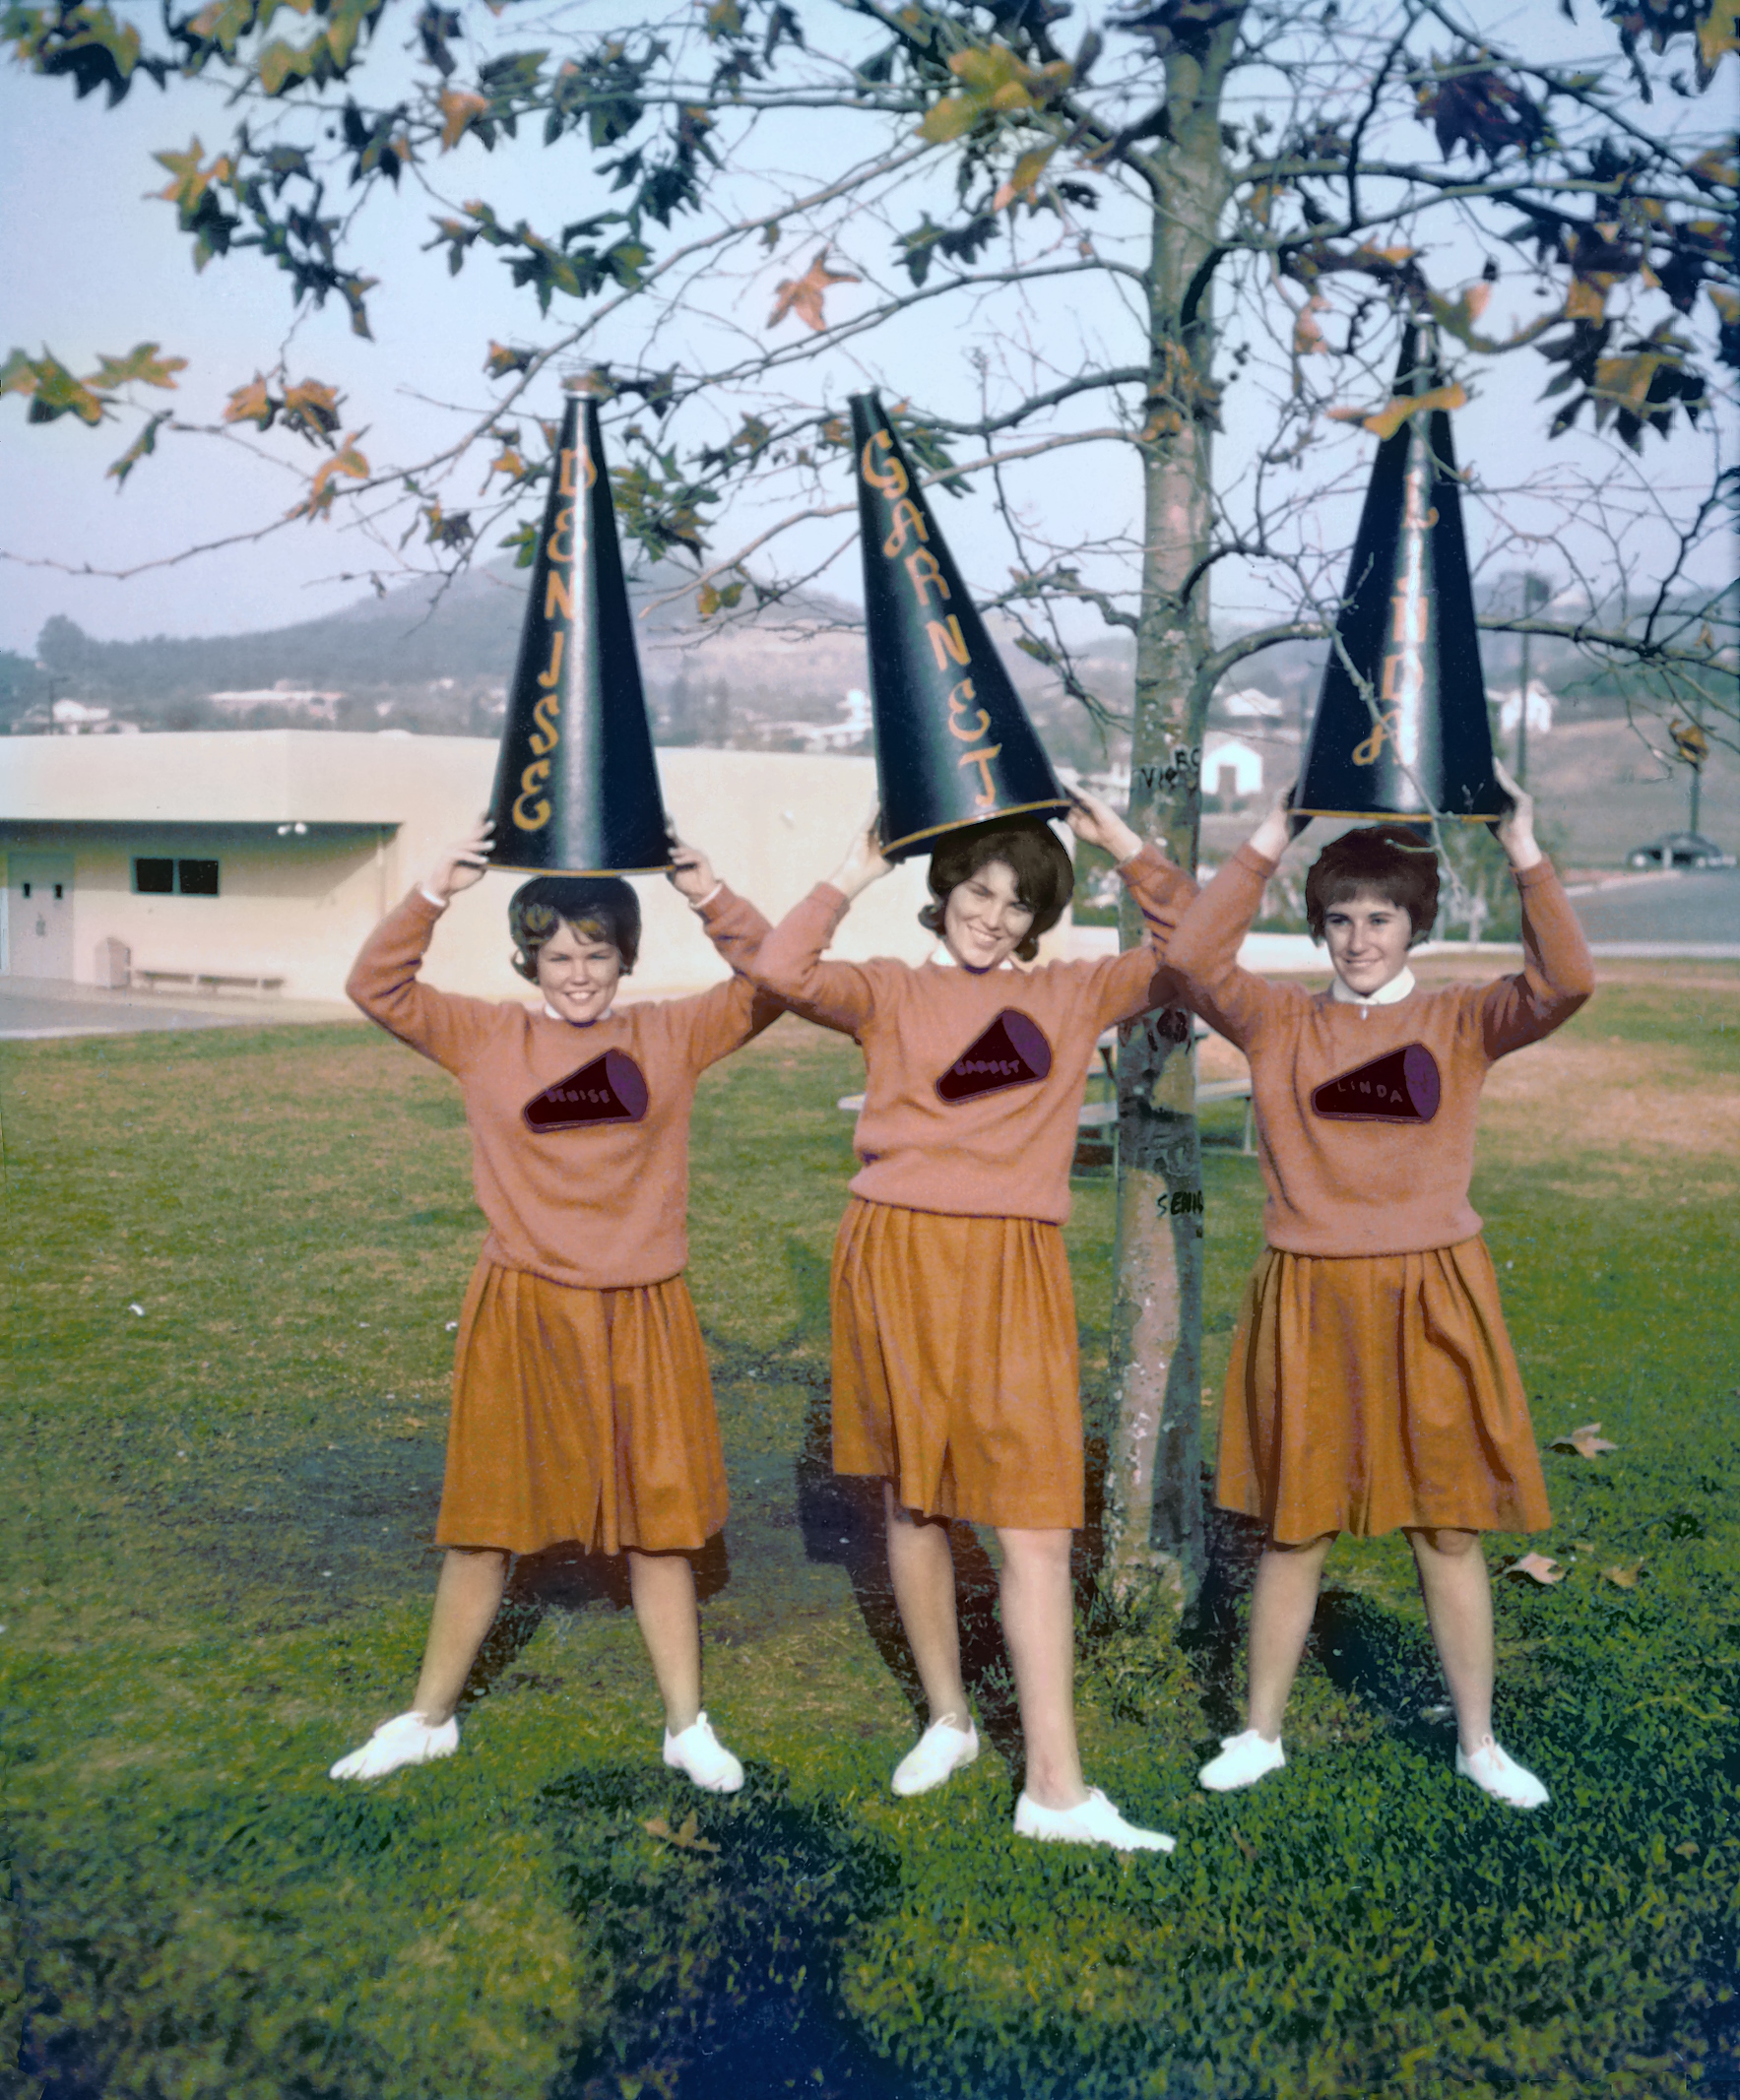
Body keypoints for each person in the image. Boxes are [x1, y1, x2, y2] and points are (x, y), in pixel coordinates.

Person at [751, 793, 1194, 1852]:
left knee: (1035, 1524)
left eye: (1016, 902)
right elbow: (777, 970)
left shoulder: (1075, 993)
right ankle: (949, 1718)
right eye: (977, 890)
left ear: (1039, 919)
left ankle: (1054, 1785)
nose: (991, 916)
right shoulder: (890, 990)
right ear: (943, 889)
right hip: (895, 1255)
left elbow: (1198, 944)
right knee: (913, 1501)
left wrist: (1123, 845)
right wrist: (856, 868)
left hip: (1012, 1268)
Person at [1166, 765, 1593, 1809]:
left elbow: (1566, 983)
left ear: (1416, 926)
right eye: (1343, 920)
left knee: (1447, 1526)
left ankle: (1478, 1741)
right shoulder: (1278, 1025)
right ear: (1319, 929)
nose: (1361, 939)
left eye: (1383, 918)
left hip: (1432, 1296)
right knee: (1295, 1527)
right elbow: (1187, 956)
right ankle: (1261, 1732)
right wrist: (1272, 832)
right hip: (1309, 1296)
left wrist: (1523, 848)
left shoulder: (1460, 1022)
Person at [331, 819, 781, 1789]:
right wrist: (434, 888)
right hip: (524, 1310)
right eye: (558, 953)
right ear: (530, 957)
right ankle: (428, 1717)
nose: (578, 974)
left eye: (598, 953)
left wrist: (709, 891)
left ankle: (685, 1726)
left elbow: (779, 981)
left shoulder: (671, 1032)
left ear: (626, 956)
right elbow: (374, 987)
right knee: (487, 1524)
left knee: (660, 1530)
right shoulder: (488, 1034)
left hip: (642, 1311)